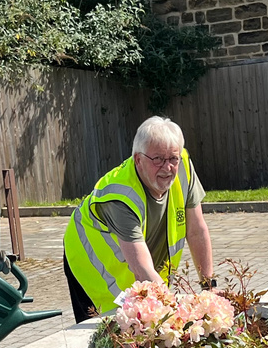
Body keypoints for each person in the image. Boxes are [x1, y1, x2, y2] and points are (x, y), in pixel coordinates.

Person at [62, 115, 217, 320]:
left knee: (151, 322)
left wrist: (209, 289)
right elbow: (141, 268)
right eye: (158, 159)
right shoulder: (120, 197)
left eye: (172, 158)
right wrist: (178, 315)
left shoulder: (184, 167)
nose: (167, 167)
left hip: (138, 266)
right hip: (92, 269)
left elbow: (196, 230)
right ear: (138, 159)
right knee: (108, 335)